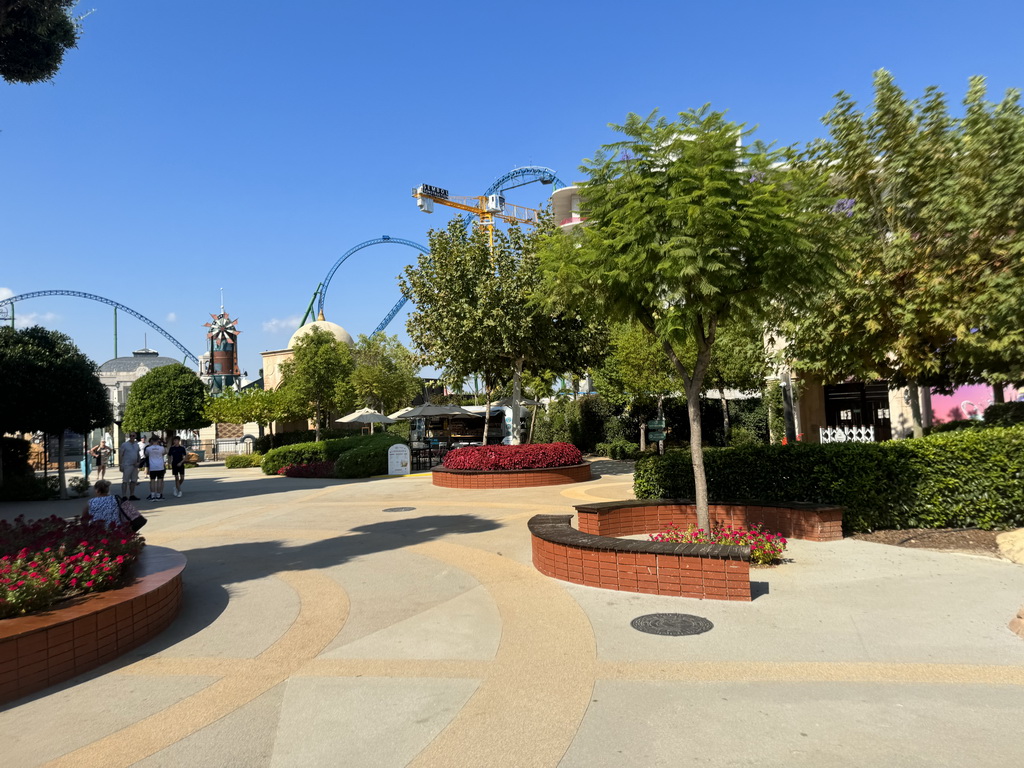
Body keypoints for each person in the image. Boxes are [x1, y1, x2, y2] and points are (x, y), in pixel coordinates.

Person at [119, 433, 142, 500]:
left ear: (135, 436)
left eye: (133, 436)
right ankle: (124, 496)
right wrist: (120, 465)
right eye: (130, 436)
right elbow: (121, 454)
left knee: (134, 481)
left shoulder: (136, 445)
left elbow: (138, 454)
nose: (132, 437)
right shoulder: (124, 444)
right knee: (125, 481)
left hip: (135, 465)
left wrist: (138, 462)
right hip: (127, 465)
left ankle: (132, 495)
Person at [144, 435, 167, 500]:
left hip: (152, 466)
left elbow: (146, 454)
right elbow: (164, 453)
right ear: (158, 440)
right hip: (160, 466)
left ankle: (152, 495)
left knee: (152, 481)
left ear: (151, 441)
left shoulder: (148, 448)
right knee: (160, 481)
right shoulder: (161, 448)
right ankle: (158, 495)